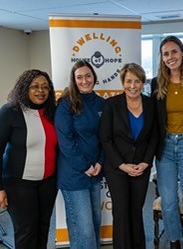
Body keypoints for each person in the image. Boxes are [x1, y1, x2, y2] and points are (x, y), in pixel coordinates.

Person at [0, 69, 58, 248]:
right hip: (18, 183)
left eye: (45, 87)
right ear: (24, 88)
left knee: (43, 227)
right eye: (34, 86)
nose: (40, 91)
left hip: (48, 182)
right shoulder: (10, 111)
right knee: (26, 230)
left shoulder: (53, 111)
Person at [151, 35, 183, 249]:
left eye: (174, 52)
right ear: (162, 59)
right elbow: (154, 119)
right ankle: (174, 241)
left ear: (182, 53)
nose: (170, 57)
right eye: (166, 54)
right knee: (169, 203)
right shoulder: (156, 84)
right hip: (166, 149)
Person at [100, 63, 158, 249]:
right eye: (129, 81)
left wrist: (146, 162)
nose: (133, 86)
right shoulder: (112, 104)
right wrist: (122, 165)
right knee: (122, 211)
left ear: (143, 83)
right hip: (117, 168)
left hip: (141, 167)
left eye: (137, 81)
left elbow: (155, 136)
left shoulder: (151, 104)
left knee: (136, 210)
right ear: (122, 82)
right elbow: (106, 139)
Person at [54, 60, 105, 248]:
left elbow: (104, 137)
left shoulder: (101, 103)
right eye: (80, 77)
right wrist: (85, 166)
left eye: (88, 76)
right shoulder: (66, 105)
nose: (85, 81)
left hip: (95, 172)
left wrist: (100, 161)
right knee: (82, 230)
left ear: (94, 77)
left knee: (94, 224)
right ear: (74, 81)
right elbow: (65, 142)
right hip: (74, 174)